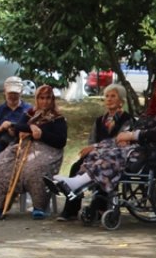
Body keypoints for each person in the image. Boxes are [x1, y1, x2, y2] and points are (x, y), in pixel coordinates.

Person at [52, 79, 156, 219]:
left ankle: (79, 185)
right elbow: (137, 130)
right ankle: (77, 183)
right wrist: (128, 137)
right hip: (136, 148)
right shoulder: (151, 113)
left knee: (110, 155)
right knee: (98, 152)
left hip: (154, 154)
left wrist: (132, 135)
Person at [0, 85, 68, 219]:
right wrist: (31, 126)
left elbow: (61, 141)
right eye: (41, 98)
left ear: (53, 99)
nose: (45, 101)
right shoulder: (30, 113)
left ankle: (38, 206)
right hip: (24, 147)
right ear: (37, 99)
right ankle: (0, 205)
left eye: (48, 98)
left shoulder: (58, 118)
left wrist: (42, 134)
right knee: (1, 163)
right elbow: (17, 127)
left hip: (47, 150)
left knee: (35, 168)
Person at [54, 83, 132, 221]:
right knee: (75, 167)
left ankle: (99, 208)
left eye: (113, 96)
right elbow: (91, 140)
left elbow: (121, 141)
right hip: (97, 154)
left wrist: (96, 147)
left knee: (103, 166)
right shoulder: (99, 120)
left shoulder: (127, 119)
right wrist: (92, 149)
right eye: (107, 96)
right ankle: (71, 209)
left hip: (115, 157)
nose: (109, 99)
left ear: (121, 101)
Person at [0, 77, 33, 180]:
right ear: (4, 92)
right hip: (1, 143)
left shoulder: (29, 109)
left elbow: (35, 128)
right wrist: (1, 128)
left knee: (28, 163)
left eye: (15, 93)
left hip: (22, 144)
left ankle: (16, 186)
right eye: (10, 93)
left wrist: (20, 130)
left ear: (21, 92)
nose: (13, 96)